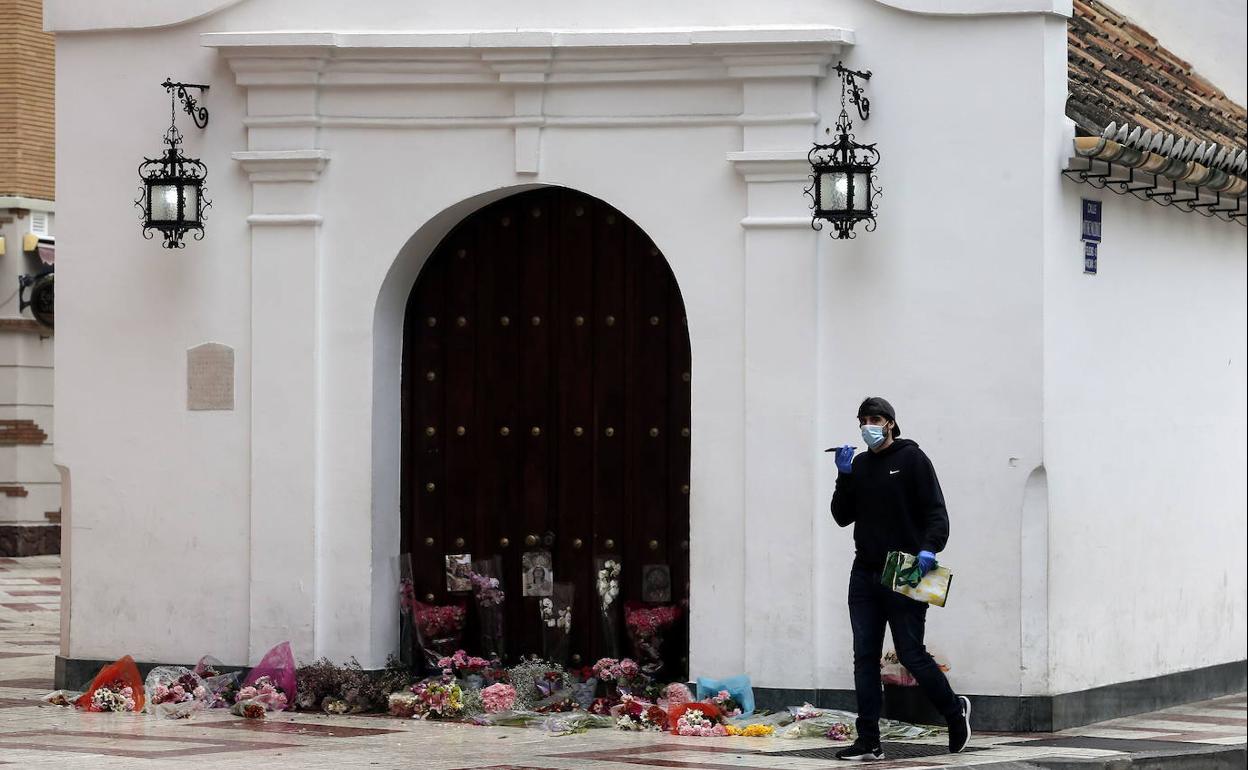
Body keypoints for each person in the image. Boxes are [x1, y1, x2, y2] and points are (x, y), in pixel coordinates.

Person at [828, 396, 970, 761]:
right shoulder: (859, 465)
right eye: (862, 420)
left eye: (874, 418)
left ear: (890, 423)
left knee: (911, 652)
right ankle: (869, 741)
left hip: (905, 567)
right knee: (864, 657)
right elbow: (842, 516)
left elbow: (936, 511)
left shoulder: (912, 459)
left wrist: (930, 548)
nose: (867, 426)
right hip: (864, 572)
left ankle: (955, 713)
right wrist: (843, 477)